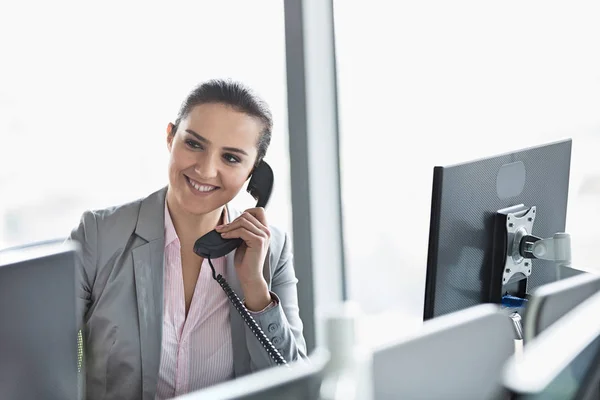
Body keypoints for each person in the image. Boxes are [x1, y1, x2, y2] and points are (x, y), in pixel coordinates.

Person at [69, 79, 307, 400]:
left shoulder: (271, 251)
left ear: (255, 174)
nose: (206, 170)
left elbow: (299, 387)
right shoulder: (99, 235)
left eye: (232, 158)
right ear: (170, 137)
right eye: (194, 144)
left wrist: (255, 290)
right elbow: (44, 360)